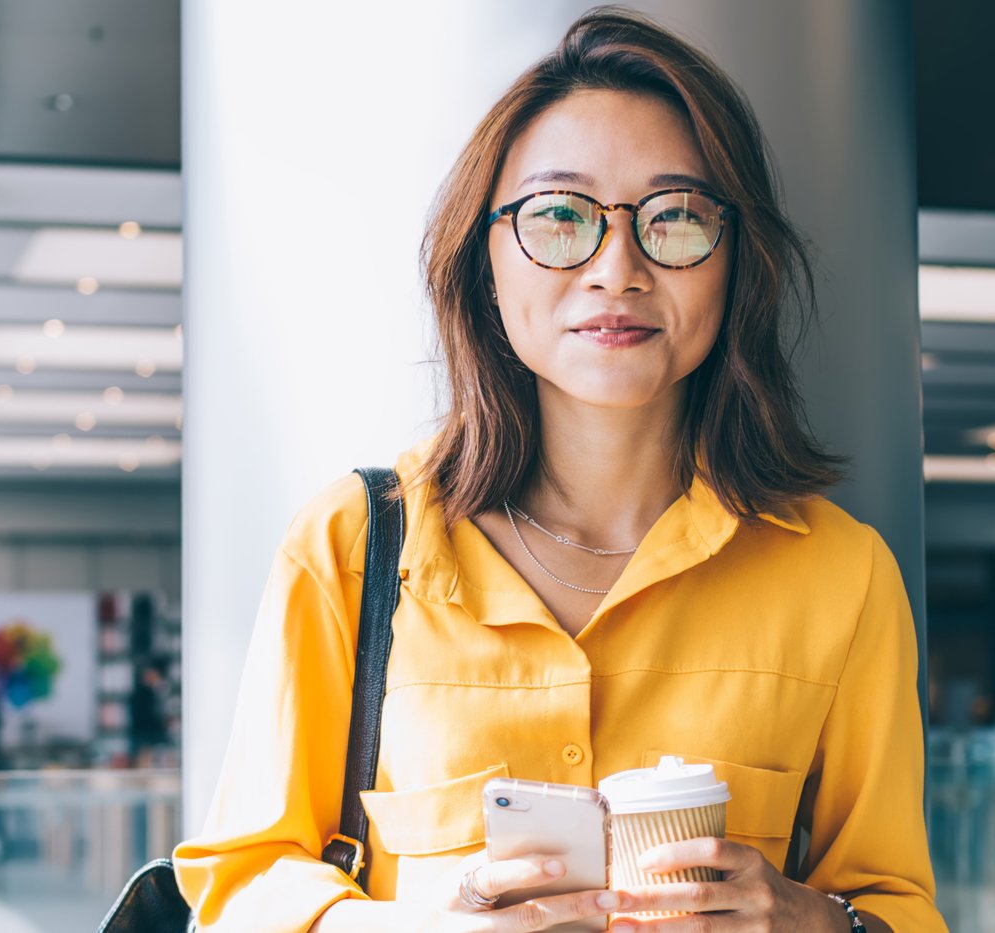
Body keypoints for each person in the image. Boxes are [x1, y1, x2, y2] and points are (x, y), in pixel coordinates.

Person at [173, 8, 943, 932]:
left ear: (736, 263)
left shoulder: (842, 575)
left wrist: (812, 919)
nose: (617, 267)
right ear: (486, 258)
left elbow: (900, 906)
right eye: (561, 217)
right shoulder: (350, 543)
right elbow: (239, 886)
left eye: (678, 218)